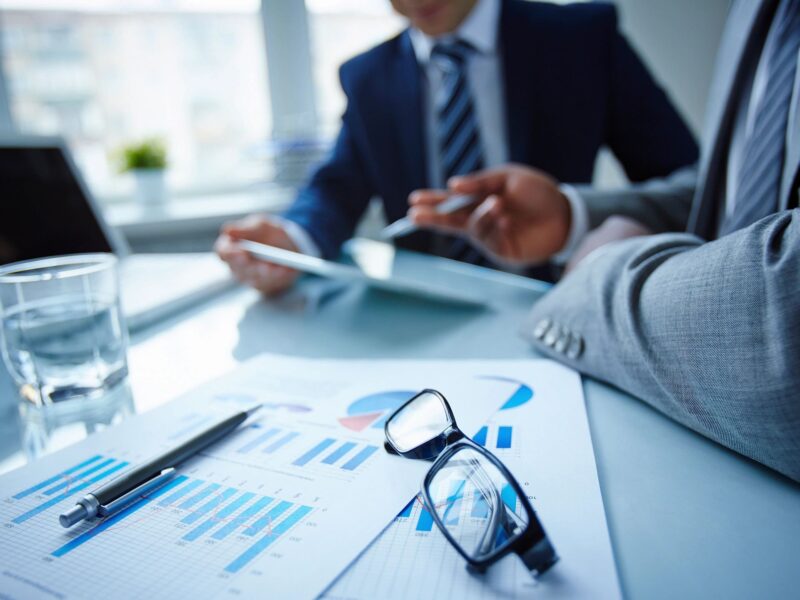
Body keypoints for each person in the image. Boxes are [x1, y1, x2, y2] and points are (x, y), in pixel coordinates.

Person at [409, 0, 800, 482]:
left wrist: (592, 272)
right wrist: (574, 217)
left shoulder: (581, 31)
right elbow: (730, 193)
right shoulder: (754, 11)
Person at [215, 0, 698, 295]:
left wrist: (579, 223)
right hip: (426, 320)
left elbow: (692, 184)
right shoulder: (368, 77)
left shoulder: (580, 39)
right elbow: (336, 188)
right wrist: (291, 238)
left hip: (560, 300)